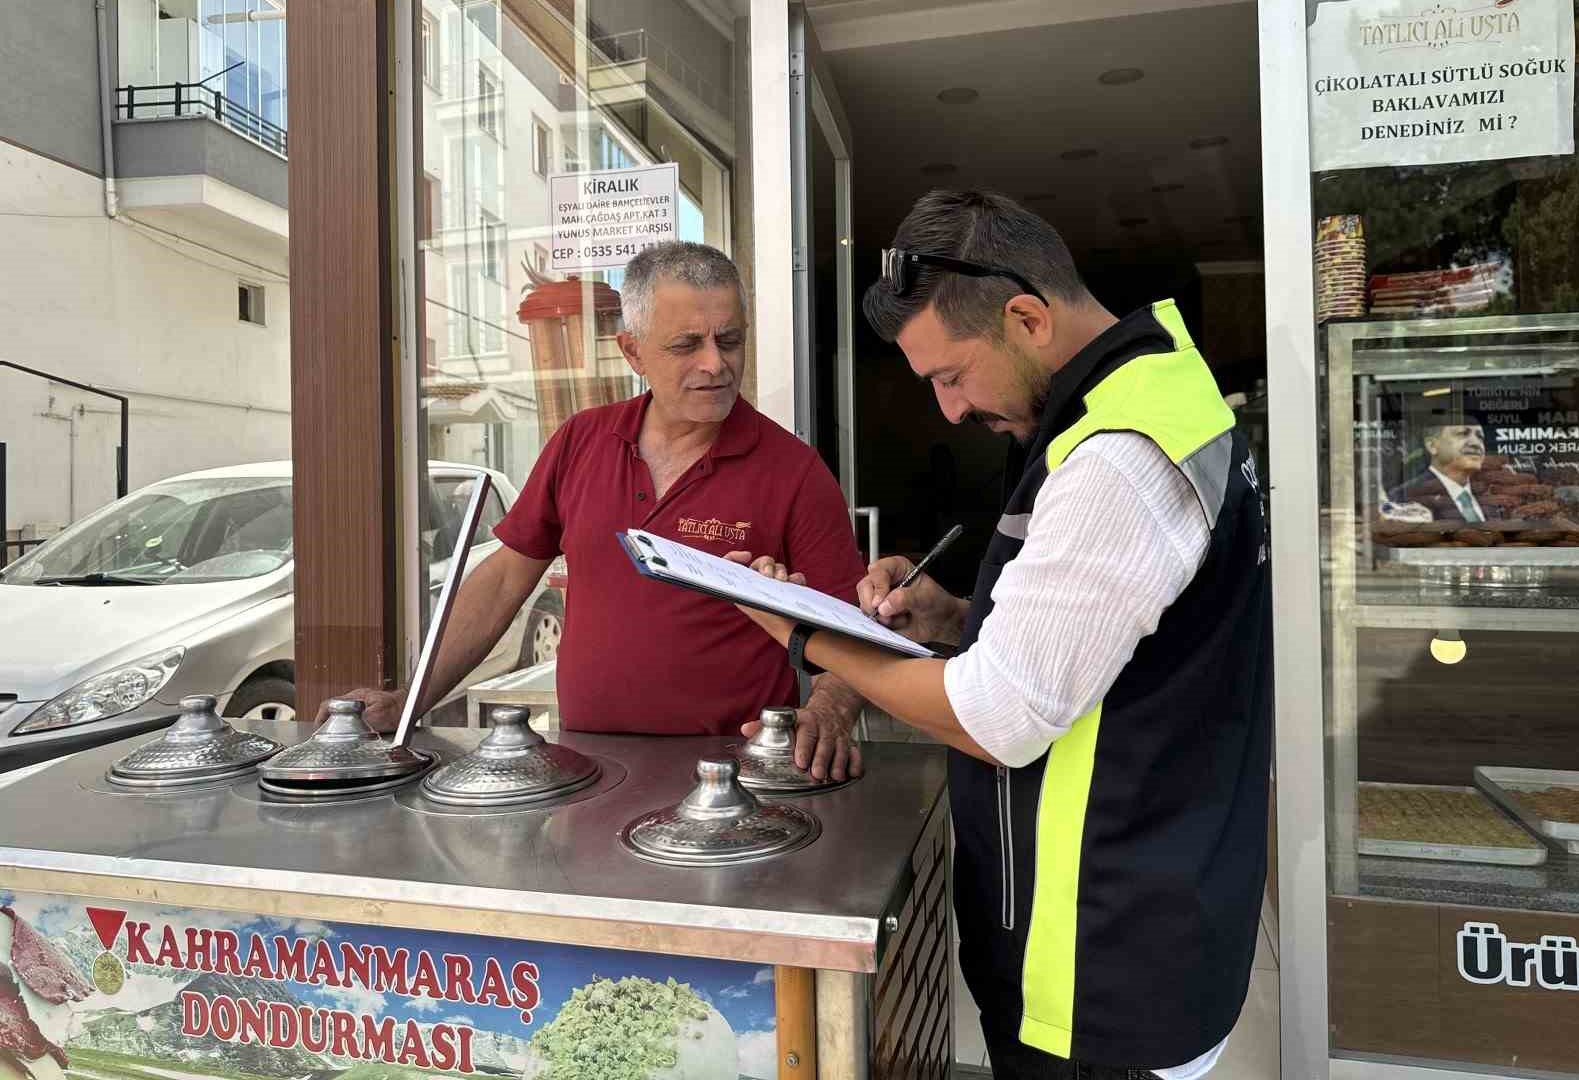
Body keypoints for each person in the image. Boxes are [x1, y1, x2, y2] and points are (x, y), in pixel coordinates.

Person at [734, 190, 1271, 1078]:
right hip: (1134, 909)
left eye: (951, 377)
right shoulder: (1144, 396)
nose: (948, 411)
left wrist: (806, 637)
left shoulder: (1120, 458)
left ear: (1025, 316)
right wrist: (950, 615)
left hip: (1102, 962)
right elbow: (1122, 637)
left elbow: (997, 717)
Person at [325, 242, 866, 779]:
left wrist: (829, 709)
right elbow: (504, 580)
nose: (715, 364)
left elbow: (852, 629)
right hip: (587, 769)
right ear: (632, 352)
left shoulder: (794, 470)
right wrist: (410, 700)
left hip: (732, 779)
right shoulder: (581, 440)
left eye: (729, 340)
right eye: (686, 345)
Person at [1388, 415, 1500, 522]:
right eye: (1463, 434)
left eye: (1480, 437)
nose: (1476, 443)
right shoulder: (1403, 496)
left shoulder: (1491, 495)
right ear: (1432, 446)